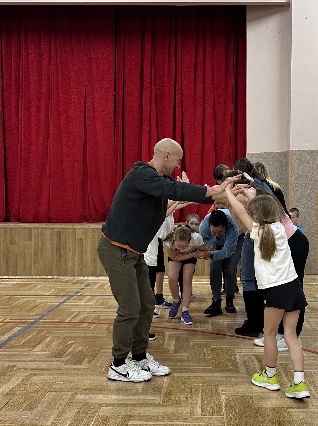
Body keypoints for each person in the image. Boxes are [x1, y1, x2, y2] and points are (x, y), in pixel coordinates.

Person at [97, 138, 236, 383]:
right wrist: (211, 191)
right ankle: (118, 364)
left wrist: (217, 195)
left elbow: (170, 197)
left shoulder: (155, 183)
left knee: (147, 304)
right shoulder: (142, 174)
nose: (178, 165)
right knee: (130, 308)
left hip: (134, 253)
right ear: (166, 156)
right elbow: (173, 189)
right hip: (116, 251)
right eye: (177, 160)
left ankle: (139, 356)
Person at [225, 185, 310, 399]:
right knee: (290, 335)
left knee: (269, 334)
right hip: (294, 288)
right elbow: (265, 204)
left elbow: (241, 212)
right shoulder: (281, 227)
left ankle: (270, 377)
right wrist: (249, 194)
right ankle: (299, 383)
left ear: (255, 215)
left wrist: (227, 192)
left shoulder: (258, 231)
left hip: (276, 291)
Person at [164, 224, 210, 325]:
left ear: (190, 240)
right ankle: (176, 301)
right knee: (172, 277)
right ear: (174, 239)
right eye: (178, 245)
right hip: (178, 256)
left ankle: (185, 310)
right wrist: (192, 254)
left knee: (187, 278)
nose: (181, 248)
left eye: (184, 246)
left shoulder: (196, 238)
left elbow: (204, 249)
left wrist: (207, 253)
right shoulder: (169, 240)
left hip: (190, 256)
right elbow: (175, 257)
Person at [199, 208, 241, 316]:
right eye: (214, 232)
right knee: (215, 268)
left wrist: (211, 254)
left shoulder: (233, 227)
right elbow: (204, 239)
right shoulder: (203, 226)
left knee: (230, 269)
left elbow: (228, 251)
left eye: (220, 231)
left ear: (225, 227)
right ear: (209, 226)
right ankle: (216, 301)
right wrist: (210, 246)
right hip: (217, 244)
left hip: (236, 241)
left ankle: (229, 300)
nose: (217, 234)